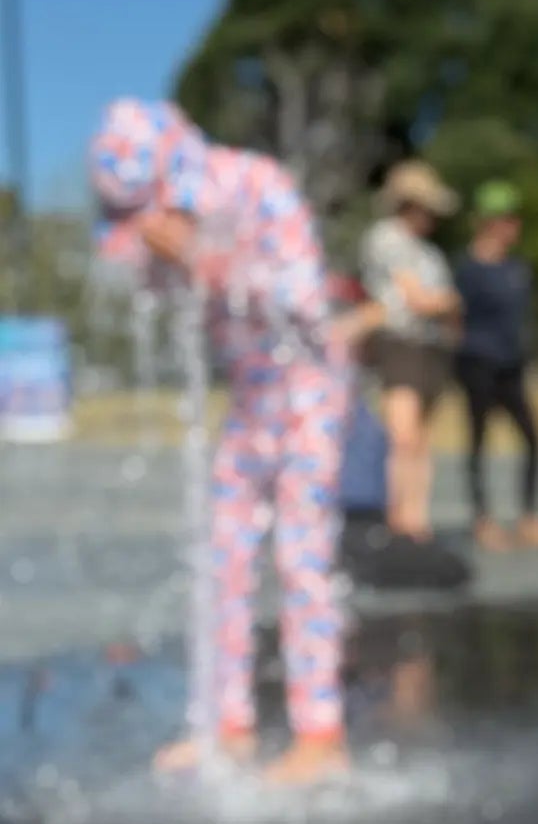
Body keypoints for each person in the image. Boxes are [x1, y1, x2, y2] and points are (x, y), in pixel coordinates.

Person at [91, 98, 350, 783]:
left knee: (301, 558)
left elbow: (307, 302)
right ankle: (228, 725)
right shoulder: (167, 214)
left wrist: (211, 260)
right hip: (251, 398)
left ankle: (321, 736)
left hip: (308, 390)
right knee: (224, 557)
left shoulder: (259, 183)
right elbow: (143, 289)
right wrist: (160, 261)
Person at [360, 160, 462, 540]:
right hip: (400, 341)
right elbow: (417, 298)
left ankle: (417, 516)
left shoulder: (430, 253)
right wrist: (446, 301)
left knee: (421, 437)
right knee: (402, 434)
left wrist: (446, 306)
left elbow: (444, 304)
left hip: (429, 344)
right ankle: (398, 514)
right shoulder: (387, 238)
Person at [454, 181, 538, 550]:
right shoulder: (468, 269)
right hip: (478, 361)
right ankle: (483, 519)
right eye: (507, 219)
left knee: (533, 438)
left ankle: (529, 516)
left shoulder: (518, 269)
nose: (515, 226)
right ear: (488, 222)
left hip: (511, 364)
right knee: (478, 441)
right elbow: (455, 317)